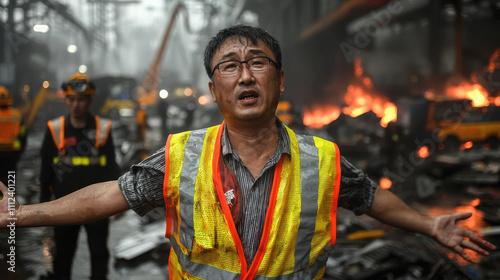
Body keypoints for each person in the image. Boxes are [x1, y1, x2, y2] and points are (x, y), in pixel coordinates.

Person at [1, 25, 497, 279]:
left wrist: (429, 225)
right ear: (214, 89)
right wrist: (21, 214)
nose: (244, 75)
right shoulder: (180, 157)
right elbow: (107, 196)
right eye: (229, 66)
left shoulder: (321, 160)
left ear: (279, 80)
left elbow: (371, 199)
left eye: (258, 63)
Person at [38, 73, 120, 280]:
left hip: (98, 205)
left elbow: (112, 167)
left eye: (81, 100)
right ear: (65, 100)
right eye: (71, 99)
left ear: (89, 100)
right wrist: (42, 203)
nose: (76, 105)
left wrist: (120, 201)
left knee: (99, 254)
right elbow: (46, 168)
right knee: (63, 256)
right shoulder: (54, 129)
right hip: (64, 205)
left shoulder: (103, 129)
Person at [0, 86, 27, 187]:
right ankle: (10, 202)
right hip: (11, 155)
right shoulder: (17, 115)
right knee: (10, 183)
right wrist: (19, 153)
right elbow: (23, 136)